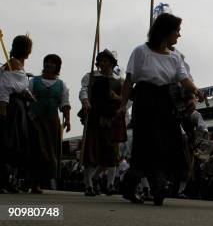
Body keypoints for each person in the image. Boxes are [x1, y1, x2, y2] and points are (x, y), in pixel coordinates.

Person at [120, 13, 204, 206]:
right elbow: (129, 81)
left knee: (169, 143)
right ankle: (142, 185)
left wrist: (196, 91)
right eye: (177, 31)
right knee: (147, 144)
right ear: (166, 31)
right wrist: (122, 106)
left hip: (166, 102)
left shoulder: (175, 57)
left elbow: (184, 79)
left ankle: (158, 184)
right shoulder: (141, 51)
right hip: (145, 100)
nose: (179, 35)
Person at [79, 49, 123, 196]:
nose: (103, 64)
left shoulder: (118, 81)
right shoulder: (91, 77)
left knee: (111, 154)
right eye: (101, 61)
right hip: (94, 118)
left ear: (112, 63)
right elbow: (83, 90)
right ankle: (89, 185)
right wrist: (85, 101)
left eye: (107, 61)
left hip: (111, 120)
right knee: (91, 152)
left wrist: (117, 98)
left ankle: (110, 185)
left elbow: (126, 100)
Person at [28, 54, 71, 193]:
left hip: (52, 122)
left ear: (57, 67)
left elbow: (65, 104)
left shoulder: (61, 85)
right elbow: (27, 98)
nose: (49, 65)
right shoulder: (34, 81)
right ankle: (31, 181)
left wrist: (68, 120)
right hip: (35, 120)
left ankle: (40, 182)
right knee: (36, 150)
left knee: (50, 152)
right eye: (47, 62)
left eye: (52, 63)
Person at [0, 35, 34, 194]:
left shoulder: (18, 65)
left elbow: (18, 86)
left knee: (16, 144)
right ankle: (3, 180)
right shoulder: (12, 64)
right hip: (11, 107)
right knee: (8, 143)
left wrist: (27, 94)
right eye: (28, 47)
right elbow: (5, 88)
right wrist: (3, 110)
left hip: (18, 107)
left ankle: (8, 180)